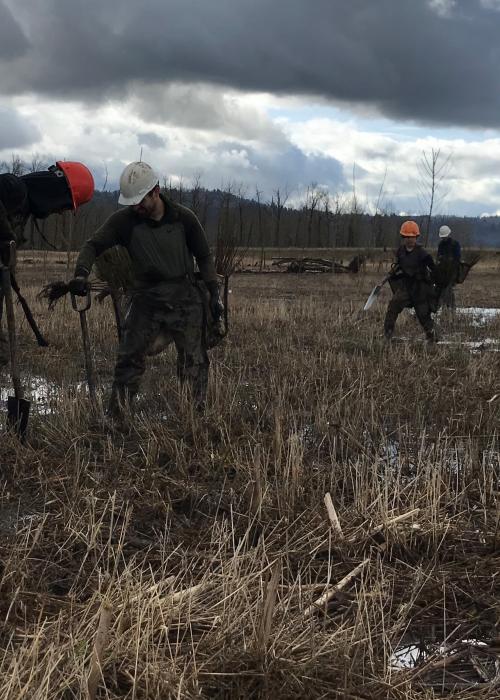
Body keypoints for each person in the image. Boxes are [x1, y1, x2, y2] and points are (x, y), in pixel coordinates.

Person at [69, 161, 222, 417]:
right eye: (131, 202)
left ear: (156, 191)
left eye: (140, 200)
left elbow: (204, 257)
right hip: (145, 298)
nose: (136, 206)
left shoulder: (184, 218)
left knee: (194, 361)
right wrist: (80, 274)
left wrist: (214, 294)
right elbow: (92, 245)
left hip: (184, 295)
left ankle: (194, 417)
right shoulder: (125, 221)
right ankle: (117, 418)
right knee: (129, 358)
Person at [0, 162, 94, 365]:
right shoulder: (12, 187)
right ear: (58, 190)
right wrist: (6, 237)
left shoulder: (22, 210)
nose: (60, 212)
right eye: (65, 205)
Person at [384, 220, 438, 343]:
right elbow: (398, 267)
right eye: (407, 237)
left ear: (416, 237)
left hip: (420, 290)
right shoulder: (400, 252)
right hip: (405, 287)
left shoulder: (423, 254)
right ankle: (387, 335)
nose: (410, 239)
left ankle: (432, 338)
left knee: (423, 316)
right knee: (392, 308)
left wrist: (434, 283)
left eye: (412, 237)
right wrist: (391, 274)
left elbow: (434, 270)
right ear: (403, 237)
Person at [435, 224, 461, 310]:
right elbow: (438, 257)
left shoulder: (455, 244)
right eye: (442, 237)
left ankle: (449, 309)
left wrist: (451, 260)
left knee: (448, 290)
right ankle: (449, 309)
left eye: (444, 236)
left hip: (452, 272)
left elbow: (458, 258)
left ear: (448, 234)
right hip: (443, 272)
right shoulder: (441, 245)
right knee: (444, 290)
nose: (443, 238)